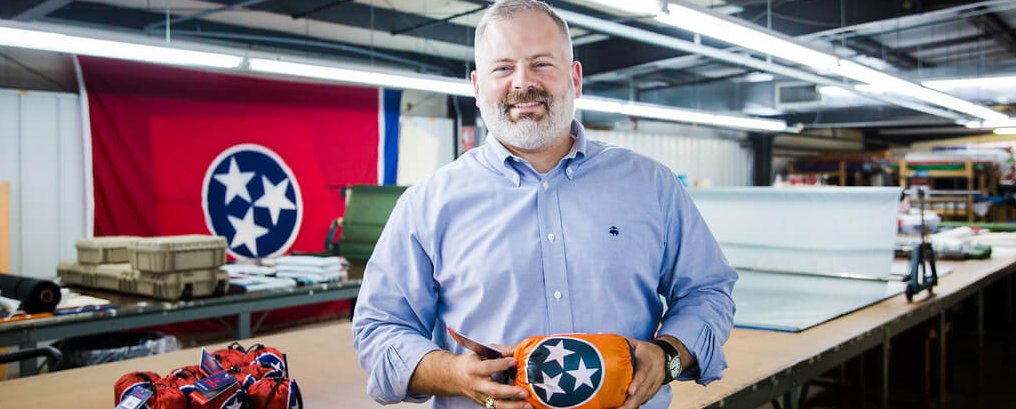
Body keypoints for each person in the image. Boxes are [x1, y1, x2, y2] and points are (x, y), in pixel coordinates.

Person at [352, 1, 737, 408]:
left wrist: (668, 357)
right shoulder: (427, 204)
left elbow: (707, 291)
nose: (522, 83)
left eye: (541, 64)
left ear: (574, 77)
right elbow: (381, 326)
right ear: (478, 86)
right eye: (503, 68)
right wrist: (451, 373)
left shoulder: (652, 186)